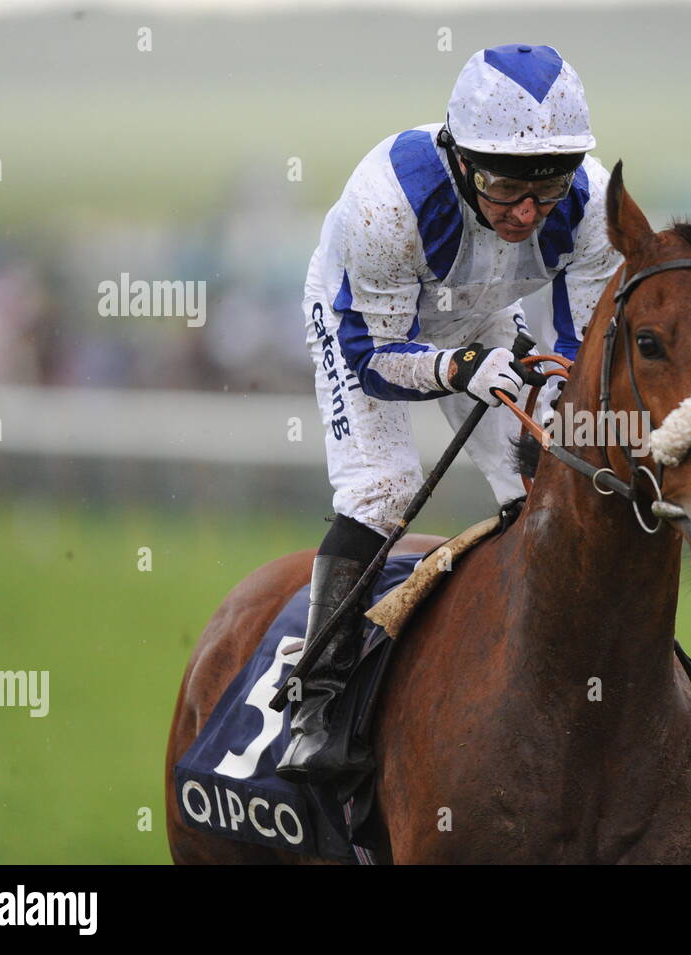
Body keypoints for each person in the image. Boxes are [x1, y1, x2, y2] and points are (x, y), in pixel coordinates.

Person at [278, 44, 622, 782]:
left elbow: (581, 346)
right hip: (371, 322)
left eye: (550, 187)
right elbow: (374, 357)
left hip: (484, 314)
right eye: (504, 186)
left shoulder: (590, 205)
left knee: (546, 479)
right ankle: (317, 700)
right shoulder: (386, 204)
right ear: (461, 160)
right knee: (385, 488)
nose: (528, 213)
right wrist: (455, 368)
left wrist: (548, 407)